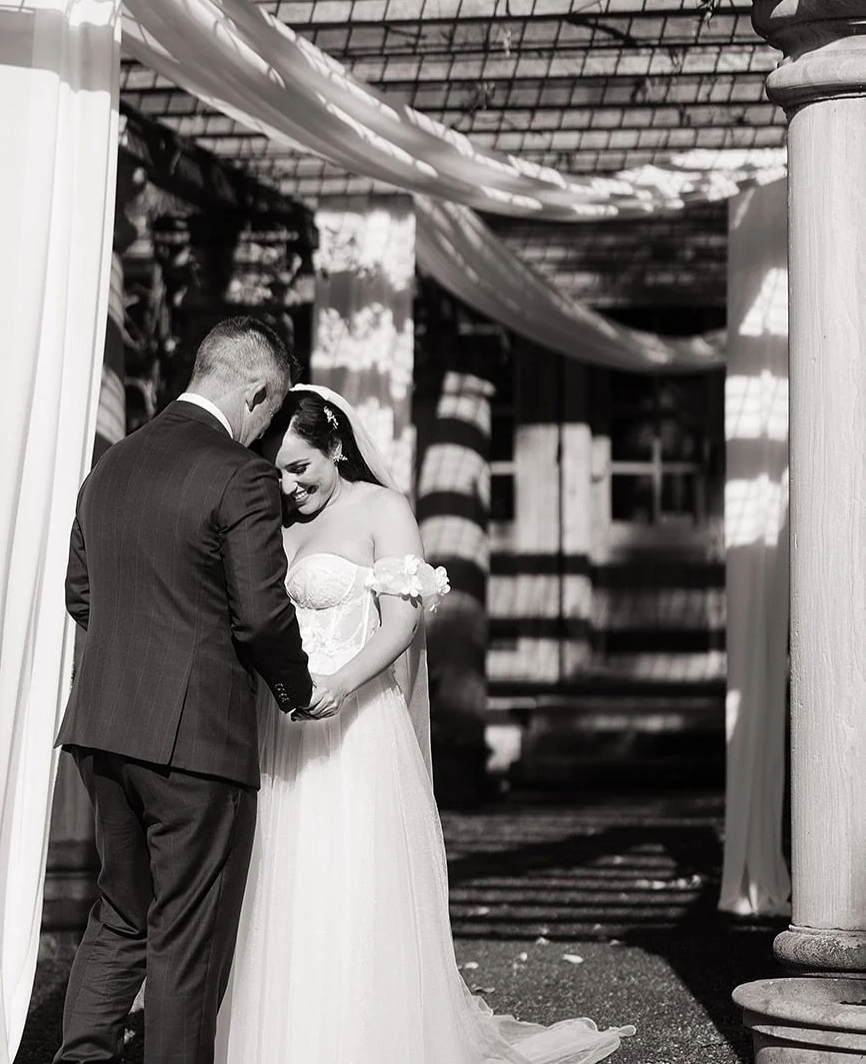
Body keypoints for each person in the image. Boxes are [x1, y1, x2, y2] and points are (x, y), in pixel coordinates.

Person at [215, 386, 634, 1064]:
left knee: (351, 881)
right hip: (279, 730)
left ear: (336, 449)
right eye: (276, 472)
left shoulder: (382, 509)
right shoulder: (273, 521)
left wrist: (341, 686)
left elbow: (404, 622)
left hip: (354, 727)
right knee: (279, 889)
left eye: (301, 468)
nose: (289, 486)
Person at [53, 318, 325, 1064]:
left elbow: (84, 595)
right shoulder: (236, 475)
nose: (264, 434)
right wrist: (297, 693)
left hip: (102, 726)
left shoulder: (109, 467)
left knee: (118, 918)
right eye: (268, 417)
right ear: (257, 389)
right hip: (196, 743)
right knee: (186, 941)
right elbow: (263, 616)